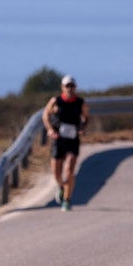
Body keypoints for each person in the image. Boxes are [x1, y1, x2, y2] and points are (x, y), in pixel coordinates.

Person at [43, 74, 89, 211]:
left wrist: (82, 128)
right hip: (58, 139)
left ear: (75, 87)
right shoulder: (56, 101)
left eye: (72, 86)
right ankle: (61, 186)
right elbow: (45, 115)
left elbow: (86, 118)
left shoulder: (80, 103)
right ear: (62, 87)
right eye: (67, 86)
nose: (69, 88)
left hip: (72, 140)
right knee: (56, 173)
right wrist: (50, 130)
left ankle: (67, 200)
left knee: (69, 171)